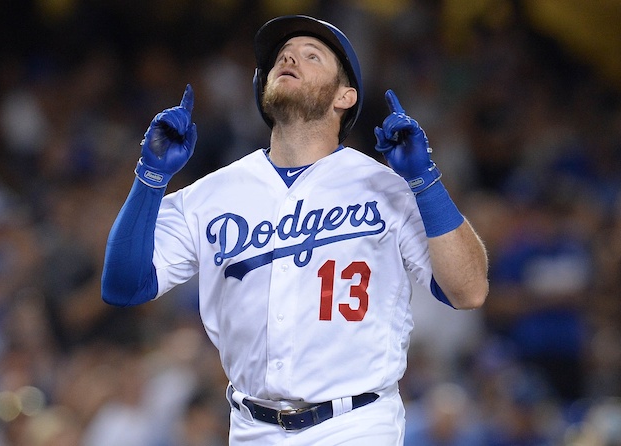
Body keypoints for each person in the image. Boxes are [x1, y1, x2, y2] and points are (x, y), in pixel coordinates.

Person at [101, 14, 489, 445]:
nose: (289, 57)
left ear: (346, 96)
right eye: (282, 55)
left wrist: (425, 182)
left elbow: (468, 291)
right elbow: (123, 286)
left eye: (311, 55)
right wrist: (150, 179)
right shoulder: (213, 192)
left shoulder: (389, 189)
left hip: (356, 424)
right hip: (252, 428)